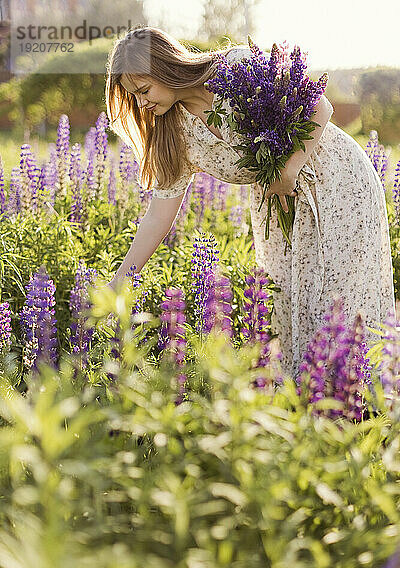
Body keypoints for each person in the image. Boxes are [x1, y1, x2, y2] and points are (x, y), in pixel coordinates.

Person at [105, 26, 395, 380]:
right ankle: (313, 422)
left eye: (143, 90)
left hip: (336, 183)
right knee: (294, 314)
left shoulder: (236, 66)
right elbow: (158, 216)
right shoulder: (175, 131)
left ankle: (366, 412)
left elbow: (320, 105)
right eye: (133, 98)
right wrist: (119, 281)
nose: (141, 103)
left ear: (167, 67)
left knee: (340, 308)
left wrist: (287, 171)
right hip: (282, 211)